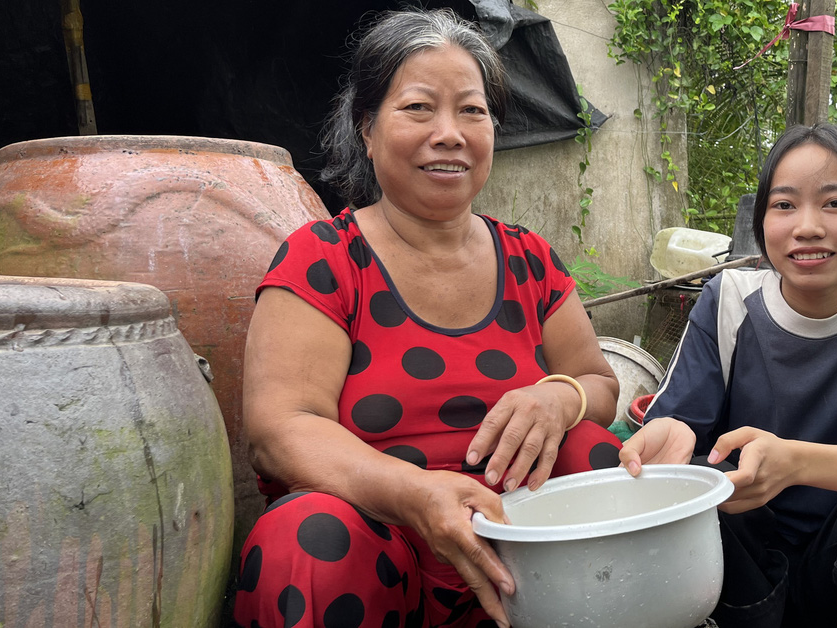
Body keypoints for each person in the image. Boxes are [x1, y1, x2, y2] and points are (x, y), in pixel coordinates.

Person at [232, 10, 623, 628]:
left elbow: (600, 384)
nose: (450, 133)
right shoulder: (326, 258)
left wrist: (560, 398)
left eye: (472, 111)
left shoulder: (530, 260)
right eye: (418, 108)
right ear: (366, 128)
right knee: (306, 534)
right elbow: (281, 430)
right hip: (377, 554)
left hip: (523, 552)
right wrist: (416, 495)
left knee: (593, 452)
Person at [620, 123, 837, 628]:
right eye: (784, 205)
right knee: (706, 480)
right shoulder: (726, 300)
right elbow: (680, 428)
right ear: (763, 221)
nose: (807, 226)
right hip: (745, 565)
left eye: (834, 203)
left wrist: (797, 463)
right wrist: (674, 430)